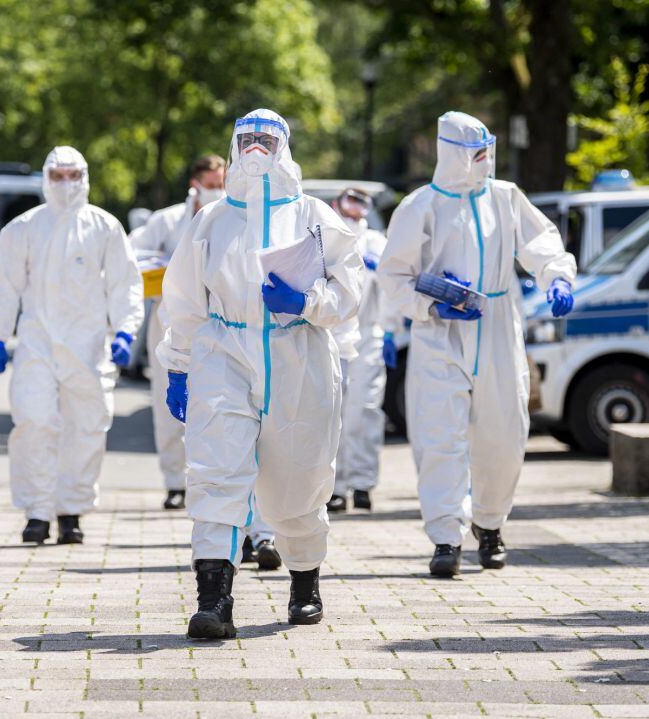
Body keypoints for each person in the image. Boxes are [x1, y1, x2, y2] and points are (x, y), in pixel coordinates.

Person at [157, 108, 363, 638]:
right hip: (223, 352)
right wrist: (179, 364)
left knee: (299, 481)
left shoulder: (315, 214)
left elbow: (350, 292)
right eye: (246, 138)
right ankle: (213, 602)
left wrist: (307, 299)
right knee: (215, 471)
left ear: (285, 147)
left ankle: (304, 581)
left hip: (299, 359)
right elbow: (182, 297)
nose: (255, 149)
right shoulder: (212, 218)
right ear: (232, 145)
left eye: (266, 140)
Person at [377, 112, 575, 578]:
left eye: (488, 150)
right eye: (476, 152)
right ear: (453, 154)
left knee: (504, 433)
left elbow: (541, 242)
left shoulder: (505, 198)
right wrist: (429, 307)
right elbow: (393, 275)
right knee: (438, 436)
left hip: (499, 325)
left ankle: (489, 524)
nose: (485, 160)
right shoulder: (419, 206)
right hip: (439, 333)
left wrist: (556, 277)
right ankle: (446, 537)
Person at [0, 146, 145, 546]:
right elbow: (1, 283)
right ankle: (37, 511)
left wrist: (124, 331)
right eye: (58, 175)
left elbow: (125, 283)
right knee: (34, 421)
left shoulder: (104, 226)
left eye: (73, 175)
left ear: (85, 177)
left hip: (88, 344)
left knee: (86, 427)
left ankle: (71, 510)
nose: (66, 183)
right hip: (37, 342)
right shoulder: (24, 228)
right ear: (45, 178)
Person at [132, 155, 226, 511]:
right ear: (195, 183)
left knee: (217, 403)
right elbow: (132, 252)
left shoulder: (232, 217)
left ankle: (210, 480)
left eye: (222, 182)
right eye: (212, 182)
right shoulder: (168, 220)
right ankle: (175, 482)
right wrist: (161, 268)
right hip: (169, 319)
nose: (217, 189)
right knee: (168, 400)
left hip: (217, 320)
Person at [326, 188, 391, 514]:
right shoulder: (324, 235)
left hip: (367, 336)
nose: (354, 208)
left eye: (361, 203)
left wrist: (390, 329)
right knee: (332, 413)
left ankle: (363, 483)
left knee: (363, 412)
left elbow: (393, 283)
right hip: (332, 336)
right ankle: (335, 488)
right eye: (349, 200)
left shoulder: (376, 241)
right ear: (336, 204)